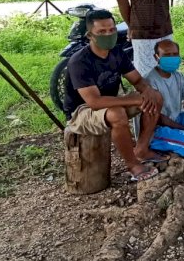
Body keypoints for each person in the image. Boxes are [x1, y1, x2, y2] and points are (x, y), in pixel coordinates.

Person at [63, 9, 164, 182]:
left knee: (156, 97)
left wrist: (147, 91)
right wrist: (134, 99)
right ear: (90, 35)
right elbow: (94, 102)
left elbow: (137, 80)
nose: (108, 35)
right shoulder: (80, 61)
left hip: (110, 103)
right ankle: (133, 166)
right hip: (80, 112)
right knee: (117, 113)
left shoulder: (117, 53)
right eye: (101, 32)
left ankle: (141, 149)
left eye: (111, 30)